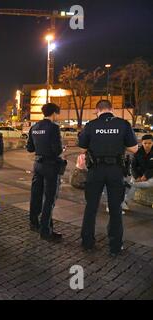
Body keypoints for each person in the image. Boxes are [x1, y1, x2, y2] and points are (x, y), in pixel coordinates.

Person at [78, 100, 138, 257]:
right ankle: (115, 246)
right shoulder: (123, 124)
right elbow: (134, 148)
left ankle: (87, 242)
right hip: (115, 170)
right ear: (112, 109)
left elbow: (83, 147)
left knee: (91, 207)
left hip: (95, 171)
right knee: (115, 208)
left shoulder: (91, 125)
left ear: (97, 110)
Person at [27, 103, 66, 242]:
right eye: (57, 114)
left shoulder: (35, 127)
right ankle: (46, 231)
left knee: (36, 195)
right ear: (54, 113)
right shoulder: (54, 128)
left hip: (37, 165)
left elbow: (30, 148)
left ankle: (33, 223)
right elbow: (57, 150)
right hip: (50, 166)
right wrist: (62, 149)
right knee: (49, 198)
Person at [124, 134, 153, 205]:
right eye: (145, 143)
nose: (147, 145)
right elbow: (133, 166)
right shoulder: (137, 152)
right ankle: (125, 202)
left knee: (138, 184)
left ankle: (125, 199)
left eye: (149, 143)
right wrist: (137, 177)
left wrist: (146, 175)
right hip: (139, 175)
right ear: (142, 143)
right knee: (134, 181)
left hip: (151, 176)